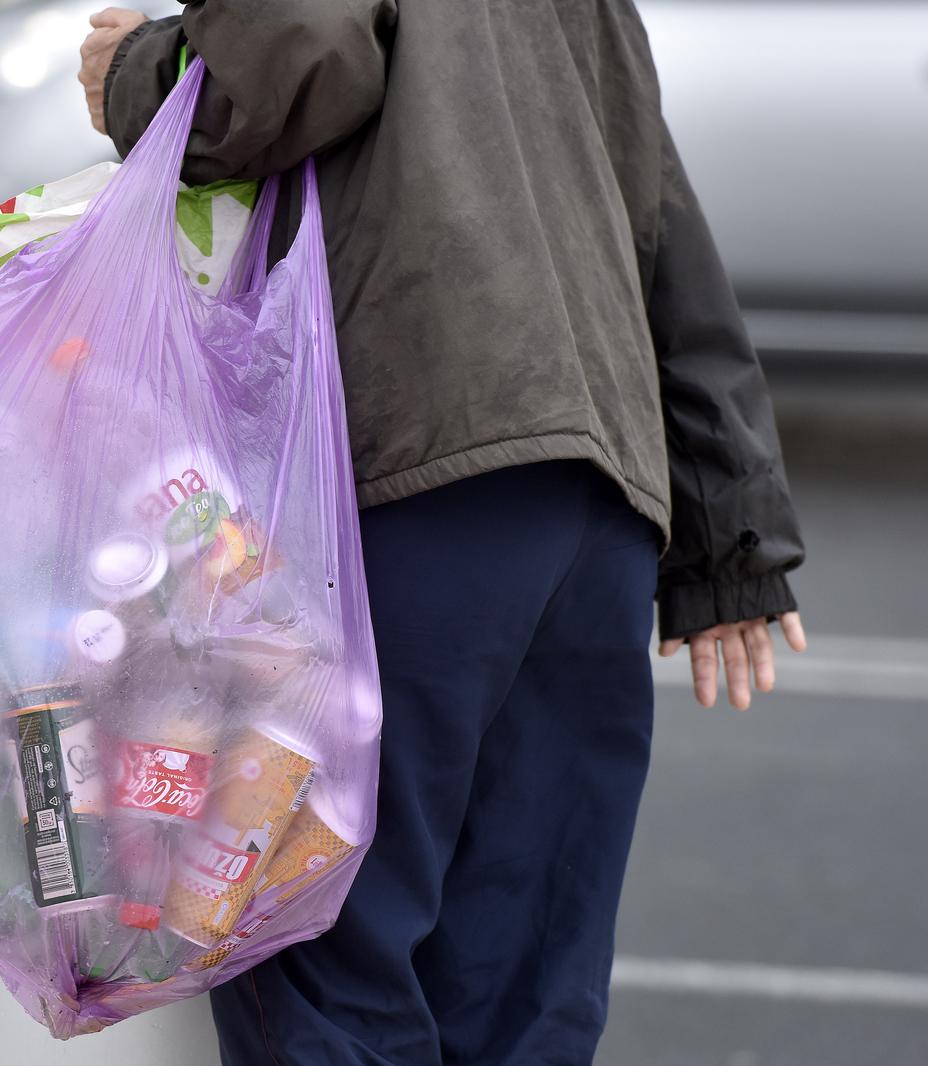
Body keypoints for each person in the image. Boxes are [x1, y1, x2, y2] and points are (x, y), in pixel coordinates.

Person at [79, 3, 809, 1063]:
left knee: (322, 940)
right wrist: (727, 533)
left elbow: (293, 54)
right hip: (590, 499)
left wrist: (137, 75)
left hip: (408, 468)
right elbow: (655, 212)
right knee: (521, 988)